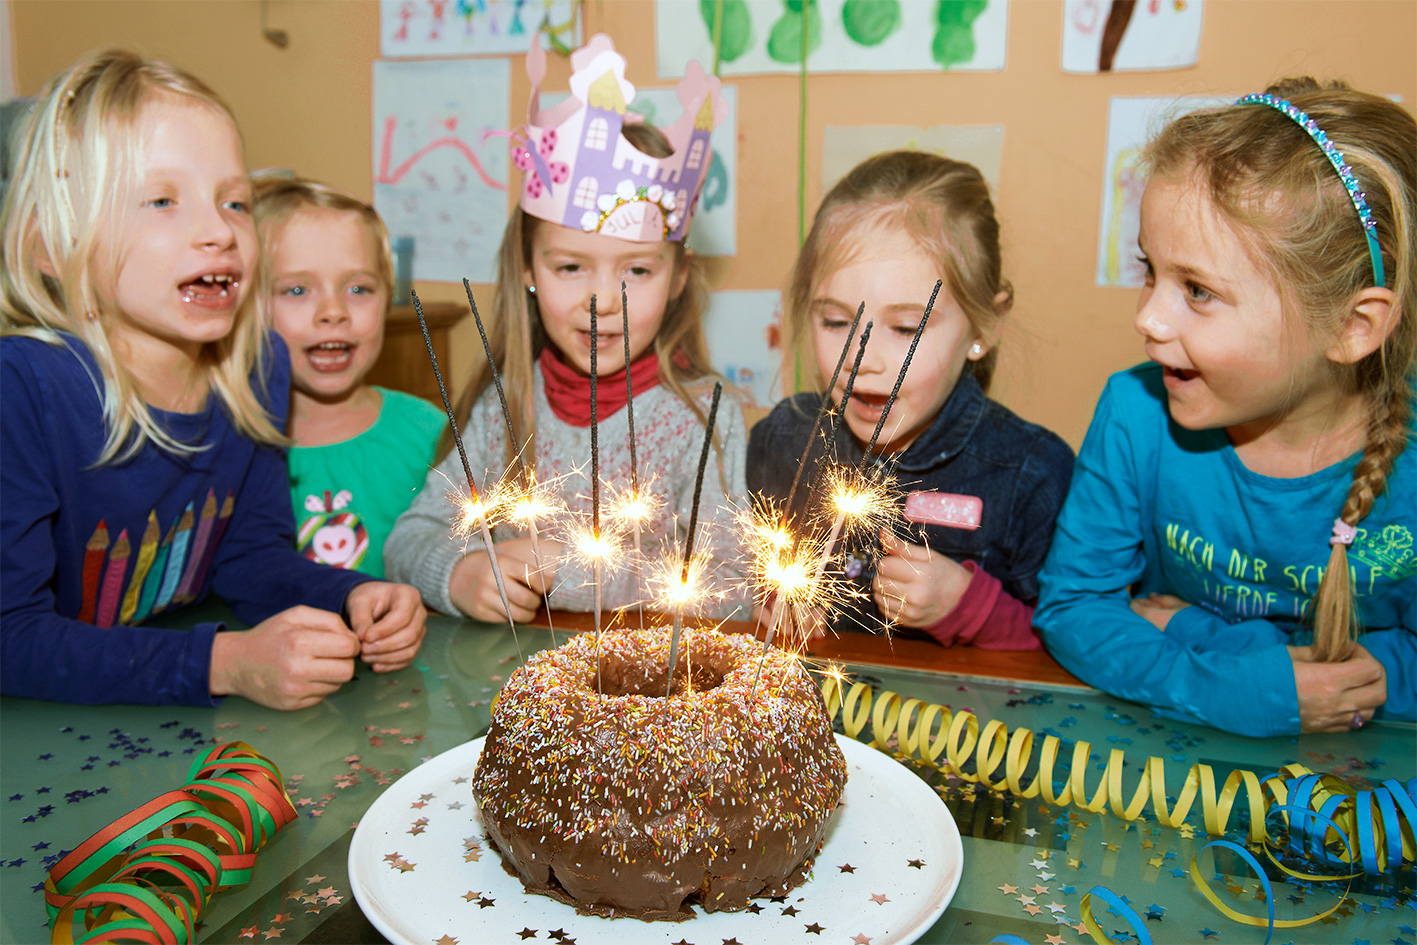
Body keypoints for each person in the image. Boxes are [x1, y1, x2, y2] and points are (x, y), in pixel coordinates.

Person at [0, 51, 426, 709]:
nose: (218, 230)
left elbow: (248, 559)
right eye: (162, 200)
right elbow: (11, 635)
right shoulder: (24, 388)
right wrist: (221, 663)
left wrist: (350, 595)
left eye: (234, 202)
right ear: (50, 247)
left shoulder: (256, 371)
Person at [1036, 79, 1415, 737]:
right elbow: (1073, 607)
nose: (1147, 318)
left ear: (1352, 326)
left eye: (1198, 291)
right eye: (1149, 270)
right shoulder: (1135, 411)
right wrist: (1223, 685)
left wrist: (1194, 632)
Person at [386, 35, 750, 622]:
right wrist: (457, 573)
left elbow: (732, 588)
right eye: (570, 267)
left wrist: (572, 572)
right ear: (528, 268)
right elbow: (409, 539)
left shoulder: (704, 417)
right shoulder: (504, 405)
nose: (601, 300)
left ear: (679, 276)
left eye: (636, 270)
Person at [747, 151, 1074, 650]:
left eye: (905, 328)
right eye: (835, 321)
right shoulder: (782, 441)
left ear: (984, 326)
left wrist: (972, 608)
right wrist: (773, 601)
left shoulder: (1032, 474)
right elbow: (738, 579)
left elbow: (1071, 648)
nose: (862, 359)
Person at [255, 178, 444, 579]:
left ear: (387, 298)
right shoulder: (232, 445)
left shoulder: (431, 435)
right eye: (296, 290)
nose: (333, 311)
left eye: (359, 288)